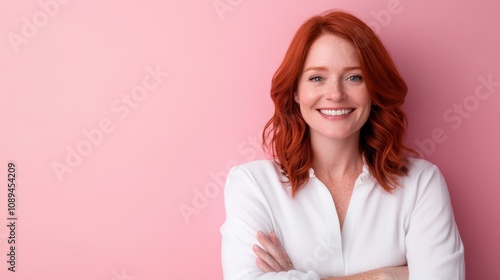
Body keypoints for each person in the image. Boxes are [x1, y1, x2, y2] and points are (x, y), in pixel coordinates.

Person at [220, 10, 464, 280]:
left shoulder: (422, 184)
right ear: (296, 92)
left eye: (354, 77)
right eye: (317, 78)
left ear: (374, 89)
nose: (335, 94)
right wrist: (384, 276)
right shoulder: (253, 185)